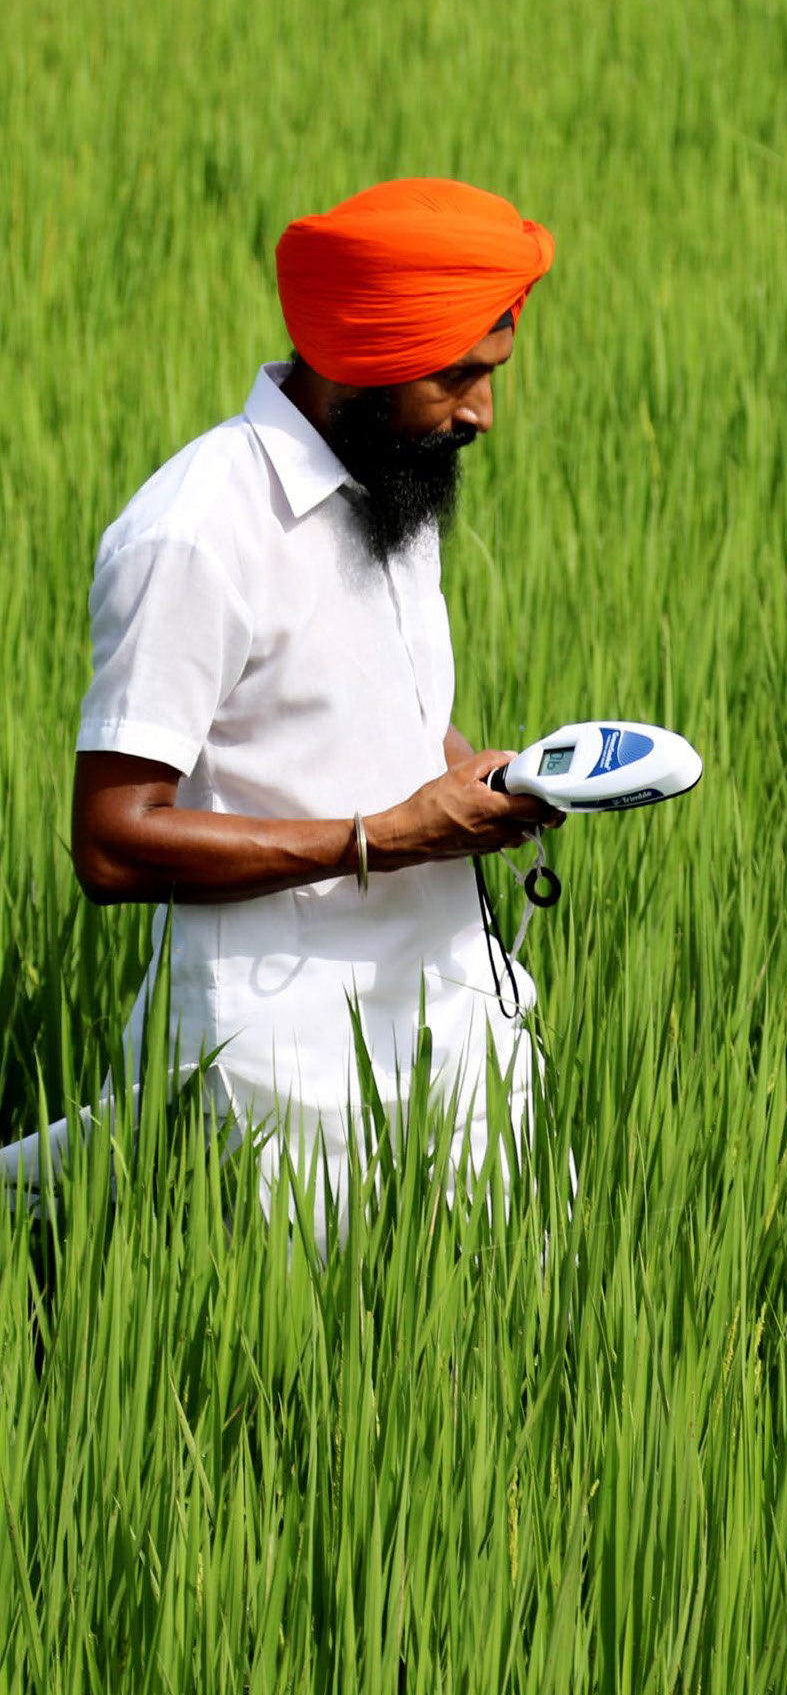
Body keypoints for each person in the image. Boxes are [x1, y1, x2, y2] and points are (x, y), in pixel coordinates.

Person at [2, 178, 561, 1248]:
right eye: (458, 377)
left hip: (451, 1012)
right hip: (283, 1067)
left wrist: (479, 778)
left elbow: (369, 699)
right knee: (300, 1381)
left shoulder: (392, 477)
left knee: (512, 1342)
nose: (483, 412)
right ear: (360, 357)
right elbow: (112, 843)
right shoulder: (197, 534)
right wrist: (383, 838)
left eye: (490, 374)